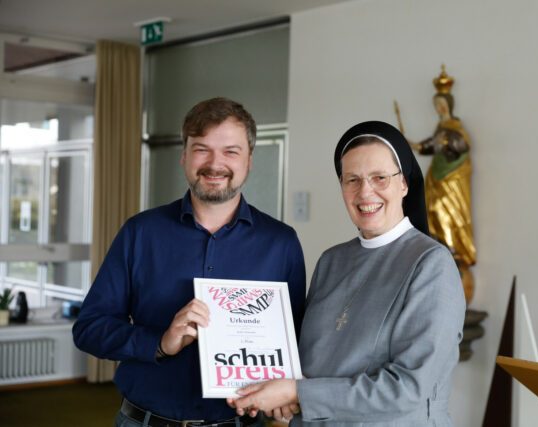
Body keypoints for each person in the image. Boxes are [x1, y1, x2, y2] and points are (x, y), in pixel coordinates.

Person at [73, 97, 306, 427]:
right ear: (184, 155)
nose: (215, 163)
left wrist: (287, 391)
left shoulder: (281, 243)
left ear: (249, 160)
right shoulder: (140, 233)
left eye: (230, 151)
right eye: (202, 149)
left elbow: (296, 341)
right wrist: (159, 343)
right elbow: (89, 328)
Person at [228, 121, 465, 426]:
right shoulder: (332, 260)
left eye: (380, 178)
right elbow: (308, 363)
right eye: (352, 179)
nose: (365, 192)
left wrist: (298, 393)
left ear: (404, 183)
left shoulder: (431, 264)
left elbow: (408, 389)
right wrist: (279, 393)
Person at [396, 65, 476, 303]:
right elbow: (428, 146)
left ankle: (452, 251)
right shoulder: (441, 128)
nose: (439, 108)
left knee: (446, 212)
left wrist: (447, 143)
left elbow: (462, 147)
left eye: (441, 104)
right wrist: (409, 142)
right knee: (432, 211)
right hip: (436, 179)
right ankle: (441, 247)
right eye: (436, 105)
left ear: (449, 105)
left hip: (452, 183)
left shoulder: (455, 128)